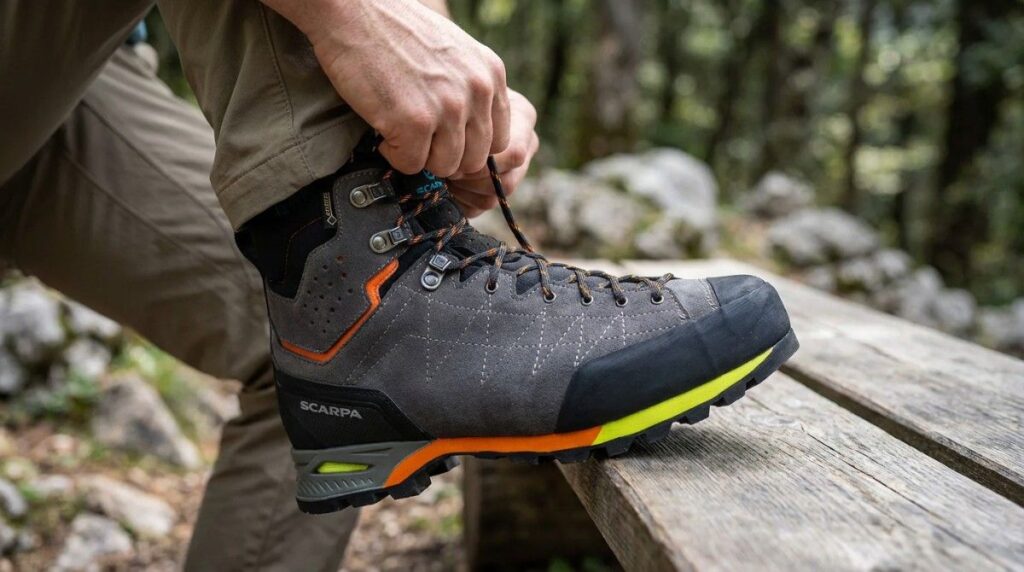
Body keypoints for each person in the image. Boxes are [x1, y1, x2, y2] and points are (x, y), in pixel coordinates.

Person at [0, 1, 798, 570]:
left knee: (314, 347)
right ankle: (382, 283)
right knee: (340, 302)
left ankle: (382, 284)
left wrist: (434, 71)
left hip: (66, 83)